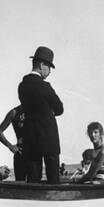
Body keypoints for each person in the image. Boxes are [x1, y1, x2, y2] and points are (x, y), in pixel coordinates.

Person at [18, 46, 64, 184]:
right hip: (49, 137)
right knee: (53, 179)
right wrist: (49, 112)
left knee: (33, 179)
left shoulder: (22, 86)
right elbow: (60, 109)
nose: (49, 71)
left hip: (30, 137)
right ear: (42, 64)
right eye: (49, 67)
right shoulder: (45, 86)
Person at [0, 105, 26, 181]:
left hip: (35, 156)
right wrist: (10, 146)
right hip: (21, 154)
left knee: (35, 183)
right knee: (20, 184)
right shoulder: (14, 112)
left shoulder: (38, 110)